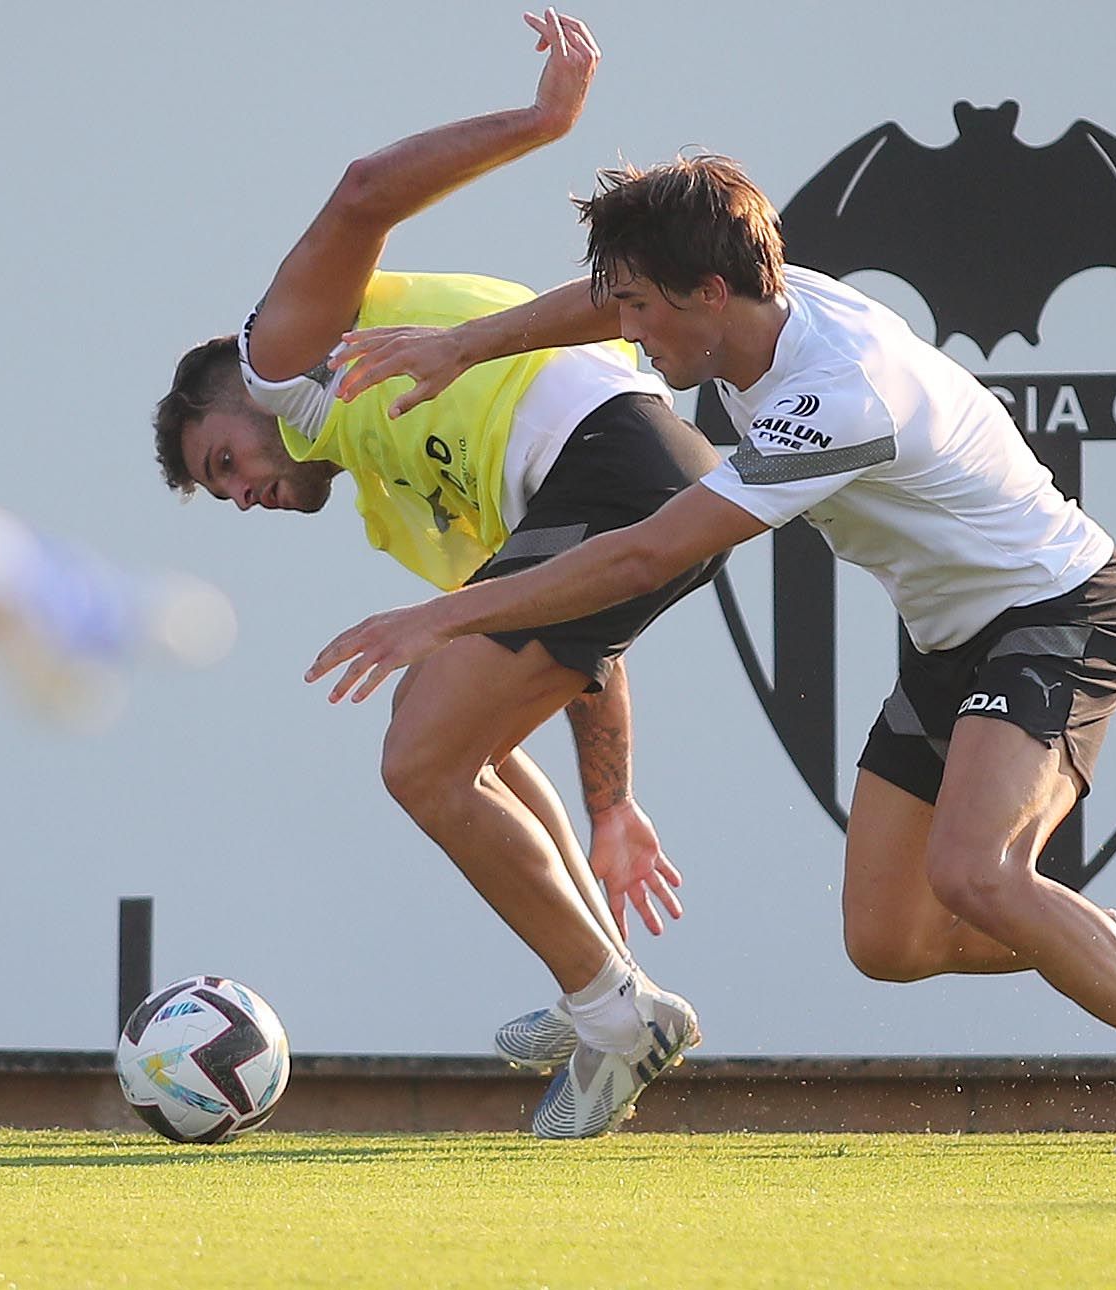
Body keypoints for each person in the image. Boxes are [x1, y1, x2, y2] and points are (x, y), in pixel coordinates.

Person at [318, 155, 1116, 1154]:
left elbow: (646, 553)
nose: (627, 330)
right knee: (891, 940)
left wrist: (446, 618)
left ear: (711, 293)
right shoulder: (753, 306)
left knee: (979, 873)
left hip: (1059, 611)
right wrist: (463, 344)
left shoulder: (838, 397)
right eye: (624, 303)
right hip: (951, 637)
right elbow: (604, 304)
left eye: (641, 308)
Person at [150, 11, 716, 1139]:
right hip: (639, 482)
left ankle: (613, 1014)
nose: (245, 493)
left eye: (225, 463)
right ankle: (609, 991)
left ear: (236, 395)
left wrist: (542, 122)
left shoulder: (279, 365)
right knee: (464, 738)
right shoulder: (397, 499)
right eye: (226, 495)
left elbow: (363, 191)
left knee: (418, 757)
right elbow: (571, 637)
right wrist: (611, 804)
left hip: (622, 450)